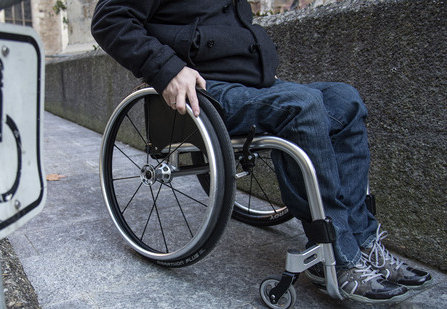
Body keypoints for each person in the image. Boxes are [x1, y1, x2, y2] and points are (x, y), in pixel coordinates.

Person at [91, 0, 432, 304]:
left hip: (252, 83)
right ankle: (338, 254)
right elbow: (109, 19)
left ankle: (364, 239)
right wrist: (167, 69)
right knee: (301, 105)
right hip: (204, 89)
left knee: (346, 99)